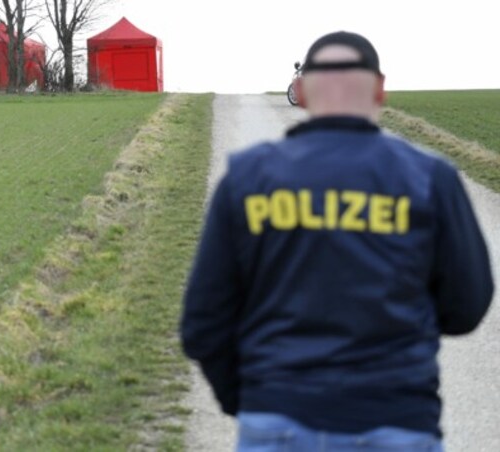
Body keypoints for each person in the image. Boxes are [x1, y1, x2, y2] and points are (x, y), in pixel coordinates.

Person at [180, 31, 494, 451]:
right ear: (380, 90)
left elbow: (202, 322)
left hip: (277, 419)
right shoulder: (429, 178)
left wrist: (250, 399)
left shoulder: (247, 179)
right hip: (396, 420)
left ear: (304, 92)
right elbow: (467, 307)